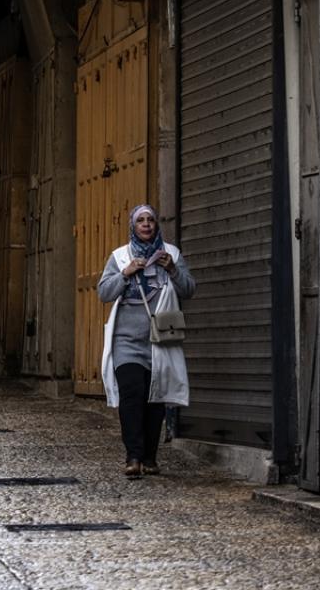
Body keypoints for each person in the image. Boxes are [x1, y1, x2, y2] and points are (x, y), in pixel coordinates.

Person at [97, 204, 195, 477]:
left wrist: (173, 269)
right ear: (133, 225)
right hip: (126, 341)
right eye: (140, 220)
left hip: (159, 340)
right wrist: (125, 273)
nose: (146, 224)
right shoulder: (120, 257)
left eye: (150, 219)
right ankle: (133, 456)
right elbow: (104, 292)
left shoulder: (171, 254)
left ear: (156, 224)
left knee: (155, 399)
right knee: (132, 395)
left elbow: (189, 289)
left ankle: (150, 457)